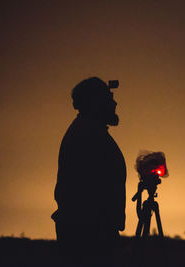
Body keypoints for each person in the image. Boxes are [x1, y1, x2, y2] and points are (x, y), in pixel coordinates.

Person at [51, 77, 126, 266]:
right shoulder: (87, 134)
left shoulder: (90, 131)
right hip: (89, 237)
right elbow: (89, 190)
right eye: (109, 98)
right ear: (95, 102)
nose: (114, 103)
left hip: (91, 233)